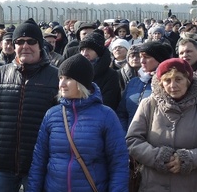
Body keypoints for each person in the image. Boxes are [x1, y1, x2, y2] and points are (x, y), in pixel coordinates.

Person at [27, 54, 129, 191]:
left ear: (82, 83)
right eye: (60, 78)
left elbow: (119, 163)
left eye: (68, 78)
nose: (61, 84)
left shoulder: (106, 116)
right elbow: (39, 161)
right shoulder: (51, 114)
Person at [126, 58, 197, 191]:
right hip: (152, 184)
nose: (173, 85)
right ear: (161, 83)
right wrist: (157, 157)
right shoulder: (148, 104)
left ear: (188, 81)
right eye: (167, 80)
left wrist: (188, 159)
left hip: (190, 185)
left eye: (178, 79)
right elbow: (133, 140)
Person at [0, 18, 59, 192]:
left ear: (40, 45)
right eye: (19, 42)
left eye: (31, 41)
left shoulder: (55, 76)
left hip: (38, 165)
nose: (25, 46)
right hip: (1, 163)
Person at [116, 41, 173, 132]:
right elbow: (122, 113)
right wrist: (125, 134)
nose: (142, 61)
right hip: (130, 139)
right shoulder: (134, 82)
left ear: (159, 60)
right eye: (141, 57)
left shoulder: (169, 84)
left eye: (146, 57)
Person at [78, 32, 121, 110]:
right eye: (82, 49)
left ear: (98, 52)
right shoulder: (75, 71)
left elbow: (108, 103)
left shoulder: (111, 75)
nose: (84, 53)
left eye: (89, 49)